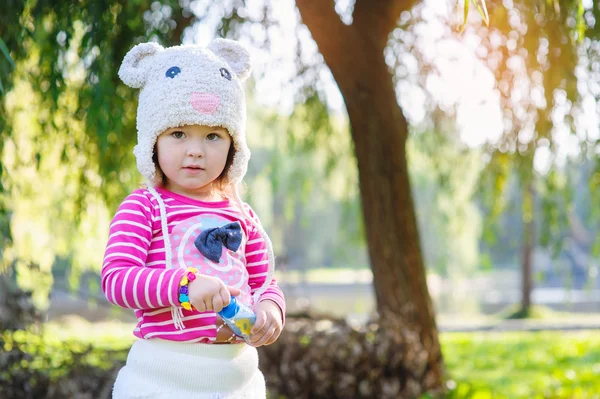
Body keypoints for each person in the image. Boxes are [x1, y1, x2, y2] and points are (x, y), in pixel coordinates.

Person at [101, 38, 285, 399]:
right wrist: (184, 286)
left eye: (213, 135)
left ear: (233, 147)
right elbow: (117, 279)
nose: (196, 150)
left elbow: (266, 282)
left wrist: (270, 309)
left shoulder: (242, 215)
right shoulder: (145, 206)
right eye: (179, 133)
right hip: (164, 377)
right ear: (153, 140)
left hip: (235, 379)